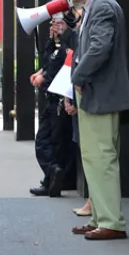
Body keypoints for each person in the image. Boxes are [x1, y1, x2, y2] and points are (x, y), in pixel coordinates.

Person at [68, 0, 129, 241]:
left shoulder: (104, 7)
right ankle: (100, 218)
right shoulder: (100, 6)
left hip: (99, 94)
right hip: (97, 93)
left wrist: (78, 76)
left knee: (101, 158)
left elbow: (99, 48)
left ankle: (110, 222)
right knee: (94, 158)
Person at [29, 12, 74, 198]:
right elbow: (48, 62)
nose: (53, 27)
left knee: (53, 142)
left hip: (59, 101)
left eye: (57, 24)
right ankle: (52, 176)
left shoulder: (68, 46)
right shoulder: (54, 46)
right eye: (52, 24)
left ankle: (53, 177)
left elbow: (59, 68)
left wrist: (44, 76)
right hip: (51, 100)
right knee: (44, 141)